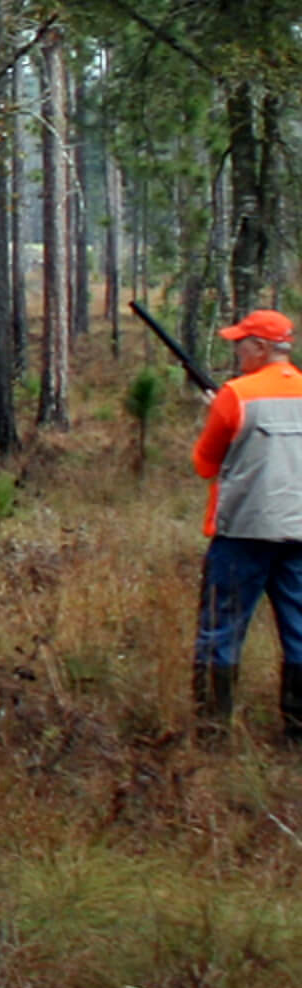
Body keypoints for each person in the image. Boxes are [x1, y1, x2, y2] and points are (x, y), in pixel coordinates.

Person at [191, 307, 302, 745]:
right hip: (299, 531)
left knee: (221, 628)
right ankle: (297, 732)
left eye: (241, 342)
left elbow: (205, 464)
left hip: (243, 533)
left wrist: (221, 414)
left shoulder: (236, 395)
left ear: (261, 347)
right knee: (299, 629)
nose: (236, 349)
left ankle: (212, 733)